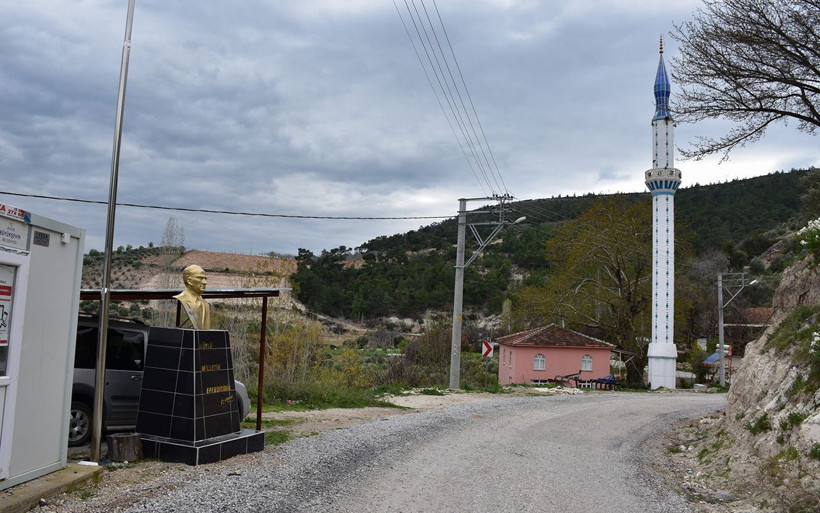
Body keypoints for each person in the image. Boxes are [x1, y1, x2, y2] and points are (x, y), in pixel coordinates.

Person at [173, 264, 211, 329]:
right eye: (200, 278)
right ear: (189, 281)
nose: (205, 282)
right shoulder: (182, 299)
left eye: (205, 278)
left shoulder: (206, 304)